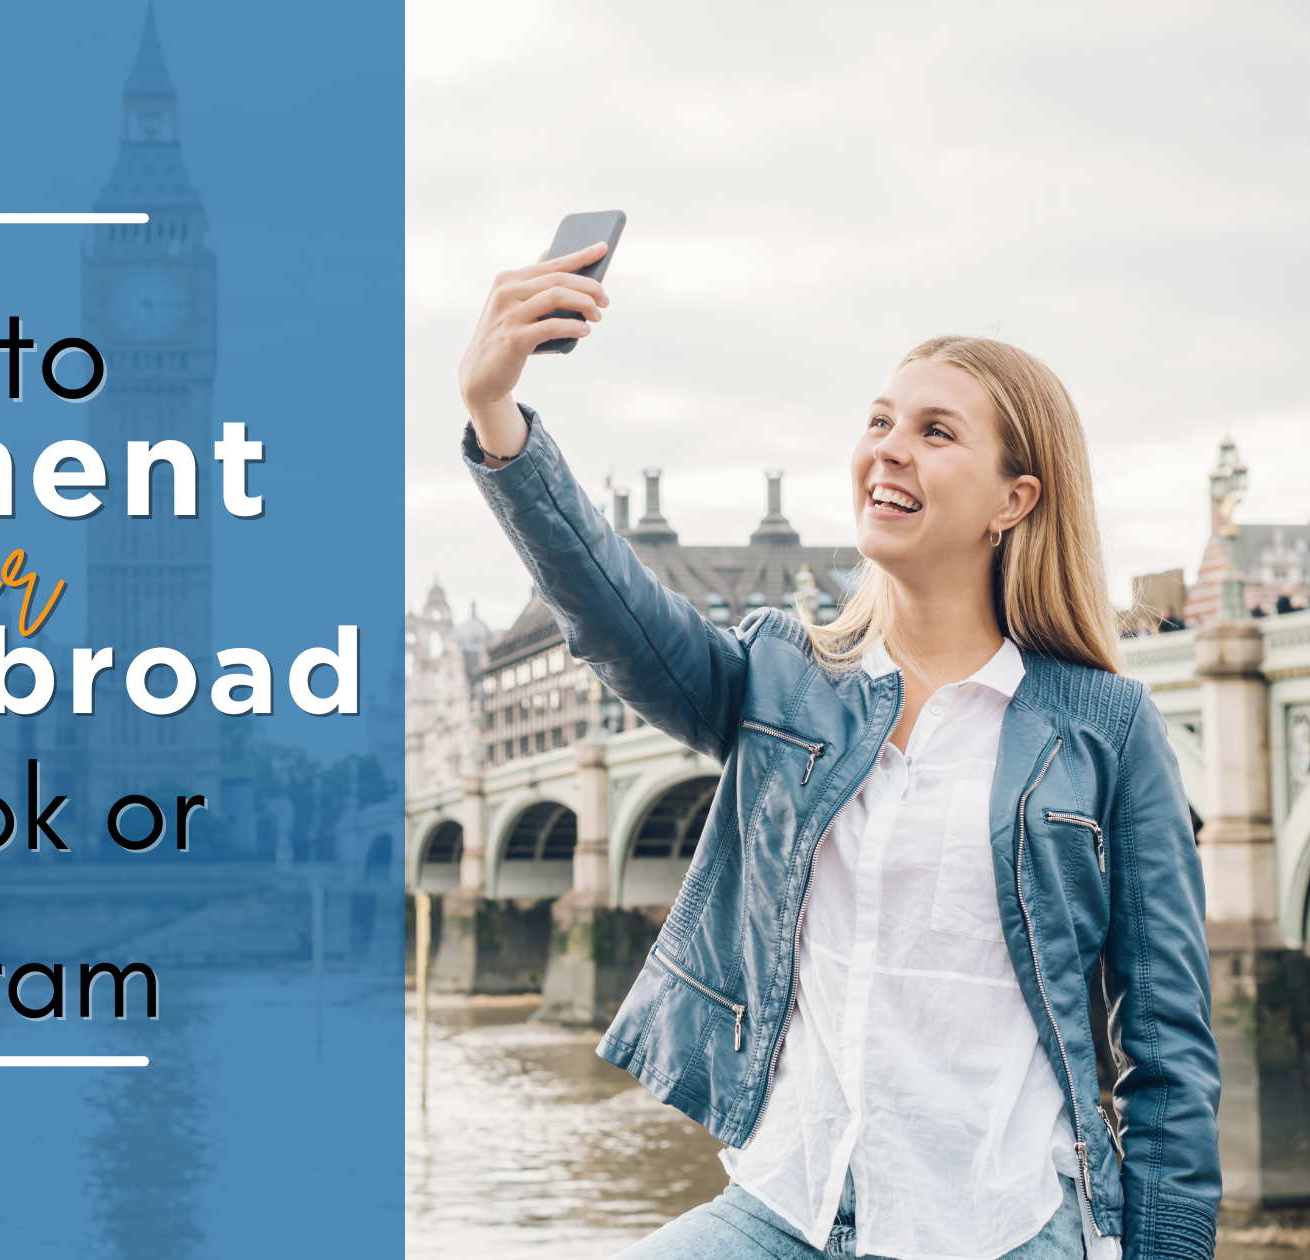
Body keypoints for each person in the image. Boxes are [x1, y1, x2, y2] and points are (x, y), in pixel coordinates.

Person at [454, 243, 1220, 1260]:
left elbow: (1168, 1050)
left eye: (934, 431)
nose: (888, 447)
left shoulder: (1104, 728)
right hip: (786, 1210)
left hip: (1000, 1226)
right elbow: (614, 615)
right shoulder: (785, 679)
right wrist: (496, 416)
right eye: (877, 421)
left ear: (1014, 501)